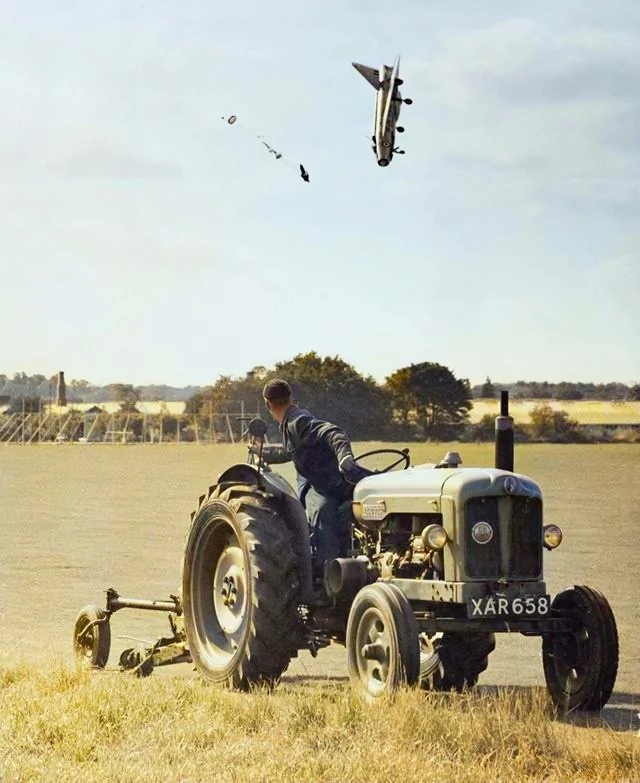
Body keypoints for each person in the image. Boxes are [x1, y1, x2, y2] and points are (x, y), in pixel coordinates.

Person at [260, 378, 372, 576]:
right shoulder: (291, 422)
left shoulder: (297, 421)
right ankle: (329, 573)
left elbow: (332, 432)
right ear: (291, 397)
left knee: (323, 510)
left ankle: (331, 573)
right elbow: (291, 451)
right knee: (321, 508)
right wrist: (262, 452)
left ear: (268, 404)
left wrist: (345, 456)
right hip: (325, 484)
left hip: (332, 484)